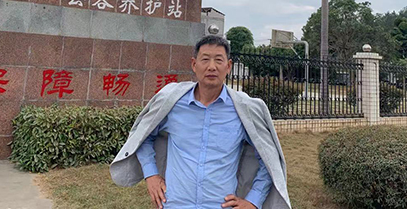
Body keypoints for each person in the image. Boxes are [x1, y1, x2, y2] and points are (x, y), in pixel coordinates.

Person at [110, 35, 292, 209]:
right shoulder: (172, 103)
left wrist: (253, 200)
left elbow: (269, 158)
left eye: (218, 60)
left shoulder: (244, 110)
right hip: (175, 203)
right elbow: (143, 136)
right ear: (194, 64)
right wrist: (151, 175)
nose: (212, 67)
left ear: (228, 66)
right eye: (205, 59)